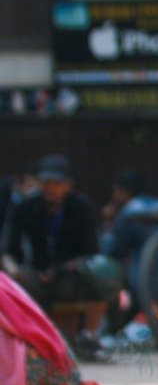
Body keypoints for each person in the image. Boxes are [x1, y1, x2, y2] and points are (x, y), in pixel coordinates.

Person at [1, 154, 122, 359]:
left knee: (101, 272)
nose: (49, 188)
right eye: (45, 182)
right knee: (10, 283)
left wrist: (61, 270)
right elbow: (8, 250)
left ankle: (90, 336)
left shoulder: (82, 207)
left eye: (55, 183)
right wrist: (13, 269)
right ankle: (28, 340)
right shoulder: (24, 208)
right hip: (36, 274)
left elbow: (91, 251)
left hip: (73, 272)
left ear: (67, 184)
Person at [101, 170, 158, 313]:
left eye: (116, 191)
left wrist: (107, 225)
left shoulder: (129, 211)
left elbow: (113, 250)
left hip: (147, 277)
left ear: (123, 192)